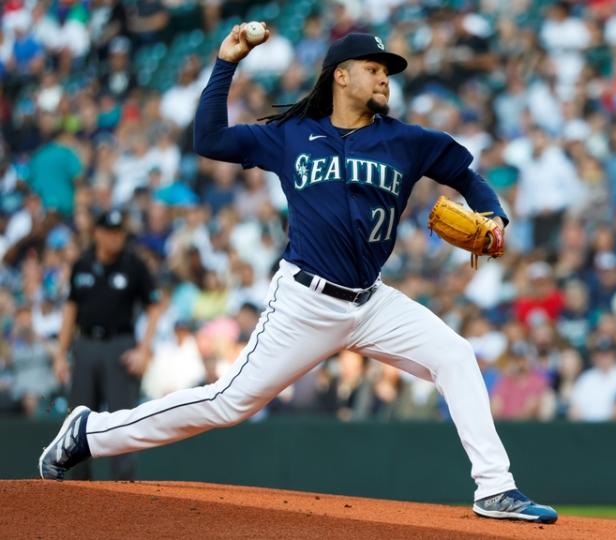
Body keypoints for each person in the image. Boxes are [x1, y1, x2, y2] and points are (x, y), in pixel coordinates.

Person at [39, 28, 557, 524]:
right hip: (305, 301)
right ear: (340, 76)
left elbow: (467, 177)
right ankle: (90, 433)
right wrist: (226, 64)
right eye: (373, 69)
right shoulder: (293, 136)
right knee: (228, 402)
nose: (384, 79)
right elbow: (209, 139)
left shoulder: (407, 141)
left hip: (371, 302)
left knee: (455, 355)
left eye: (387, 72)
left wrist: (495, 216)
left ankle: (495, 488)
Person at [51, 209, 161, 480]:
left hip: (119, 346)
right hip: (86, 344)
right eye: (110, 232)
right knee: (76, 420)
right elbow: (70, 310)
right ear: (97, 233)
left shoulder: (134, 264)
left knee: (123, 419)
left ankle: (123, 490)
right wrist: (60, 354)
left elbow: (155, 306)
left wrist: (144, 349)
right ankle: (79, 490)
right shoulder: (82, 264)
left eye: (119, 232)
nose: (116, 238)